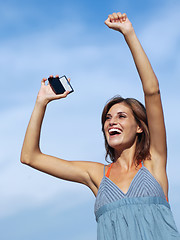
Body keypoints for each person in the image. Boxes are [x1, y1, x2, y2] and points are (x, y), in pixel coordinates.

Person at [20, 12, 180, 240]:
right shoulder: (96, 174)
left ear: (140, 127)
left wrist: (129, 33)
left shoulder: (154, 162)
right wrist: (41, 102)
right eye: (107, 118)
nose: (112, 121)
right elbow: (29, 157)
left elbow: (152, 91)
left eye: (122, 116)